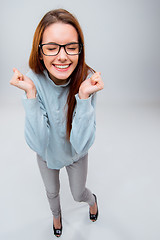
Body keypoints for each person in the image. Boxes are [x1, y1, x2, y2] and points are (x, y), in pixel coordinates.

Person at [10, 9, 104, 238]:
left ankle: (92, 201)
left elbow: (81, 144)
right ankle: (56, 216)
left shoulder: (87, 79)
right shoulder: (34, 80)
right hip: (47, 155)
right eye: (52, 48)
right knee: (52, 192)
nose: (62, 56)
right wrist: (31, 94)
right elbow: (38, 143)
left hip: (75, 154)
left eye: (70, 47)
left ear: (79, 50)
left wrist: (83, 98)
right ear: (40, 52)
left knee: (78, 192)